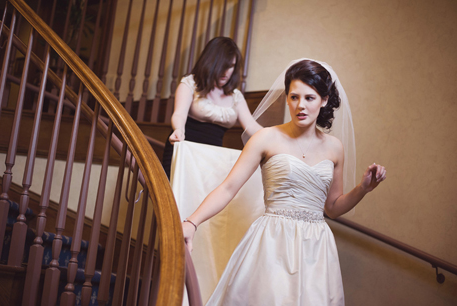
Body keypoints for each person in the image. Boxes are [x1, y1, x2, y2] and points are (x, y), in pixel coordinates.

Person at [182, 59, 387, 305]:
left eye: (309, 98)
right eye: (294, 97)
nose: (300, 105)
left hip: (316, 247)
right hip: (272, 243)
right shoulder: (265, 138)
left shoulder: (335, 148)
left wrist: (362, 189)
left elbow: (332, 208)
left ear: (323, 100)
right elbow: (228, 188)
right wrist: (192, 222)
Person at [162, 37, 262, 178]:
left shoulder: (235, 96)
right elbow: (179, 114)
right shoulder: (190, 83)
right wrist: (178, 130)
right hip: (185, 151)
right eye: (223, 65)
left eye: (231, 66)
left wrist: (278, 137)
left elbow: (252, 126)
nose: (226, 72)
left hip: (213, 159)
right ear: (211, 62)